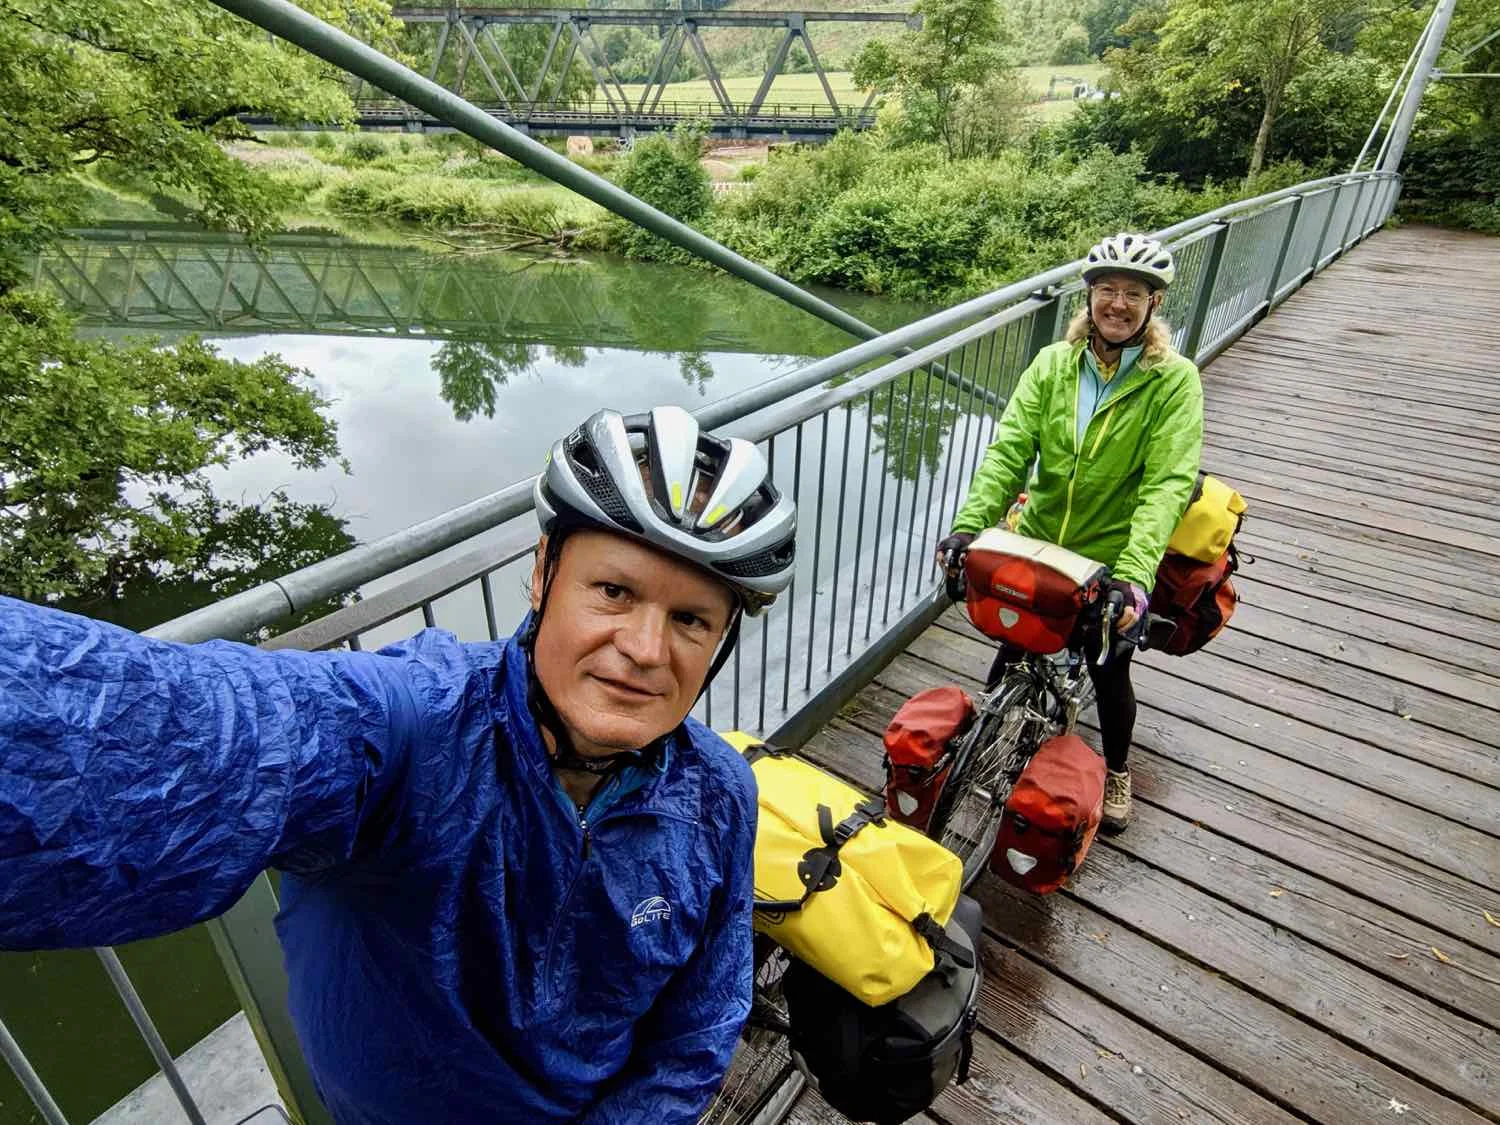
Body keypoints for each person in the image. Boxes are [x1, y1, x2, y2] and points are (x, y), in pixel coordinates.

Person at [0, 405, 798, 1123]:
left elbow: (700, 1025)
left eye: (691, 618)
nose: (644, 651)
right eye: (615, 592)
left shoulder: (718, 793)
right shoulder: (412, 728)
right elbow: (191, 733)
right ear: (543, 573)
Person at [937, 233, 1203, 831]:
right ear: (1088, 297)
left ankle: (1116, 770)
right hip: (1038, 541)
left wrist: (1134, 577)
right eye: (1106, 289)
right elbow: (1009, 451)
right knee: (1015, 647)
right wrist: (967, 528)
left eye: (1133, 293)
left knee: (1110, 670)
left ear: (1154, 303)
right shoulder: (1054, 365)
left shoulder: (1174, 381)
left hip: (1112, 555)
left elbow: (1166, 485)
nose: (1117, 303)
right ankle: (986, 735)